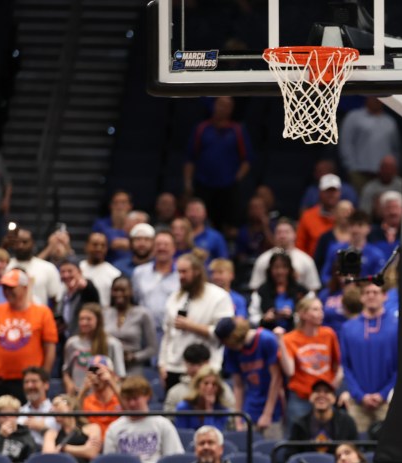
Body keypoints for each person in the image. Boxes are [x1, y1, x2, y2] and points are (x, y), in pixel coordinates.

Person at [159, 253, 235, 391]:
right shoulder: (174, 298)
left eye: (184, 272)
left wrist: (192, 326)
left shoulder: (218, 296)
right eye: (179, 272)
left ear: (197, 272)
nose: (181, 276)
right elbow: (167, 335)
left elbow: (225, 333)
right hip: (175, 367)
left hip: (206, 370)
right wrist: (162, 364)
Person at [183, 96, 251, 234]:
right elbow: (190, 159)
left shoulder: (237, 130)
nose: (224, 108)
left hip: (228, 186)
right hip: (203, 184)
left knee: (228, 225)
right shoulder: (201, 129)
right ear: (214, 106)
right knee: (203, 222)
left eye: (228, 105)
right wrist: (188, 183)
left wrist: (236, 179)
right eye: (221, 104)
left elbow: (247, 160)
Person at [338, 282, 398, 435]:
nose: (371, 295)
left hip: (388, 401)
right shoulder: (348, 328)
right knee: (356, 448)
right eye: (367, 292)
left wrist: (383, 394)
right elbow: (345, 366)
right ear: (361, 297)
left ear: (385, 296)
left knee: (389, 448)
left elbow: (401, 366)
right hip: (358, 403)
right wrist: (360, 395)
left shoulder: (397, 326)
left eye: (376, 292)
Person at [0, 268, 58, 401]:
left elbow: (50, 349)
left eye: (11, 287)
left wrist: (43, 377)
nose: (7, 291)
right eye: (5, 287)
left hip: (28, 381)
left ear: (24, 288)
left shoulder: (42, 313)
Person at [102, 376, 184, 463]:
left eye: (135, 398)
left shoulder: (162, 424)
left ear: (147, 396)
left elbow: (174, 459)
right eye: (128, 399)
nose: (131, 404)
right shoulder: (114, 428)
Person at [279, 297, 342, 426]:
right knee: (298, 441)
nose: (321, 313)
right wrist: (280, 341)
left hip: (325, 396)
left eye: (321, 309)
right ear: (303, 314)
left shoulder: (329, 334)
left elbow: (338, 364)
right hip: (301, 399)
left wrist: (336, 382)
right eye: (315, 309)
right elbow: (289, 371)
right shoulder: (289, 339)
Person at [217, 318, 283, 438]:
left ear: (233, 337)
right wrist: (238, 417)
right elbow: (238, 385)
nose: (227, 346)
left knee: (271, 446)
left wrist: (268, 414)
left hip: (273, 405)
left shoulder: (266, 339)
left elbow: (276, 378)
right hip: (251, 405)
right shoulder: (230, 351)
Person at [338, 97, 401, 192]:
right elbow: (346, 143)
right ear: (367, 97)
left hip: (384, 175)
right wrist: (351, 167)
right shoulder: (353, 117)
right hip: (360, 172)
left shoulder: (390, 121)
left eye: (379, 98)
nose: (376, 100)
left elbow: (395, 148)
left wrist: (393, 169)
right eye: (373, 97)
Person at [62, 303, 126, 395]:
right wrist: (69, 384)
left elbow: (120, 375)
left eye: (88, 319)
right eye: (81, 319)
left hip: (103, 396)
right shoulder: (72, 343)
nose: (84, 322)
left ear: (98, 321)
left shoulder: (113, 344)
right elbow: (66, 371)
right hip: (79, 395)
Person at [286, 380, 358, 460]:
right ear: (310, 397)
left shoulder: (346, 422)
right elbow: (290, 455)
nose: (321, 395)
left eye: (327, 392)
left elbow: (356, 452)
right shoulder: (299, 425)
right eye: (317, 391)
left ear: (334, 399)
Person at [249, 217, 322, 292]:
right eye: (279, 232)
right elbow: (256, 287)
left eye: (287, 232)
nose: (283, 236)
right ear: (274, 235)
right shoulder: (263, 259)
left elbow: (313, 289)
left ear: (295, 234)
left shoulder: (306, 260)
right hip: (268, 300)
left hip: (299, 300)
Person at [104, 275, 158, 375]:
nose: (119, 294)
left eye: (123, 290)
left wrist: (134, 357)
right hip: (109, 368)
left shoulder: (143, 313)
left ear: (131, 291)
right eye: (116, 290)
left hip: (133, 368)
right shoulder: (105, 313)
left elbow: (152, 348)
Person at [163, 342, 236, 413]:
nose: (196, 369)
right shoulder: (175, 392)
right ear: (185, 364)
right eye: (192, 364)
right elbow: (169, 420)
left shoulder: (221, 388)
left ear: (208, 363)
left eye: (200, 364)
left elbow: (232, 416)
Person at [132, 230, 180, 334]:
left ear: (174, 249)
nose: (162, 248)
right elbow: (134, 301)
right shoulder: (139, 272)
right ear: (153, 248)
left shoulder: (181, 274)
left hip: (173, 331)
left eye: (166, 245)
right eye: (158, 245)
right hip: (144, 331)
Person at [248, 252, 309, 333]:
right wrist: (264, 319)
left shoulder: (301, 291)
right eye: (276, 267)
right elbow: (252, 317)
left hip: (296, 333)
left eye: (284, 267)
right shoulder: (261, 291)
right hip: (268, 334)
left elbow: (309, 314)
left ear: (290, 269)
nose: (280, 271)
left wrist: (293, 316)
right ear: (270, 270)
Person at [43, 393, 102, 463]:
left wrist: (63, 448)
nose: (52, 409)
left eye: (56, 405)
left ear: (70, 406)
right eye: (52, 407)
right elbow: (49, 457)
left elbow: (91, 452)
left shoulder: (92, 428)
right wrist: (83, 449)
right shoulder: (52, 433)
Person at [7, 227, 63, 308]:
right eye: (17, 242)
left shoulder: (47, 268)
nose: (20, 246)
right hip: (7, 318)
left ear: (33, 243)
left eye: (25, 242)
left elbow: (56, 299)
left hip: (38, 318)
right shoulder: (4, 266)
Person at [297, 174, 344, 263]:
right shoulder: (308, 216)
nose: (331, 195)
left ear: (339, 193)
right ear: (320, 193)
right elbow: (300, 246)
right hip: (313, 265)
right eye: (327, 191)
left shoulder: (347, 216)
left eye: (334, 191)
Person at [175, 366, 234, 431]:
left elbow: (214, 436)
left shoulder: (222, 410)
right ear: (198, 385)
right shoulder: (184, 407)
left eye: (214, 384)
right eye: (206, 383)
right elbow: (182, 434)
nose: (210, 387)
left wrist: (209, 408)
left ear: (218, 388)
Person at [56, 256, 101, 339]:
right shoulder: (64, 295)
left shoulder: (85, 291)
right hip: (67, 340)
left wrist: (86, 284)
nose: (66, 275)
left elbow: (91, 292)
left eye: (70, 271)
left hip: (85, 340)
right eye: (62, 272)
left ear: (79, 272)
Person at [78, 356, 121, 438]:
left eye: (100, 372)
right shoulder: (86, 400)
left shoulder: (119, 397)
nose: (96, 376)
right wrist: (83, 390)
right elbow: (75, 418)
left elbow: (130, 410)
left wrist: (111, 381)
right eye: (92, 372)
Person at [0, 394, 39, 463]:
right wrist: (1, 437)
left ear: (17, 415)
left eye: (11, 415)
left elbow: (33, 462)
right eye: (3, 415)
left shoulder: (25, 435)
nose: (7, 418)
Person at [79, 233, 121, 307]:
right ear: (86, 246)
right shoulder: (78, 269)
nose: (99, 248)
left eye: (103, 245)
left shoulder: (115, 274)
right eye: (95, 244)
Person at [17, 366, 55, 446]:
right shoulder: (18, 412)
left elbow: (64, 437)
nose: (29, 386)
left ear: (46, 385)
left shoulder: (57, 412)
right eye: (26, 382)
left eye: (34, 381)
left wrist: (43, 429)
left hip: (48, 455)